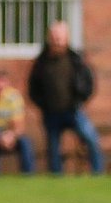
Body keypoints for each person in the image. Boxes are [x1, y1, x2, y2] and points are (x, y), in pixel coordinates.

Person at [27, 21, 103, 175]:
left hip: (73, 110)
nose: (57, 41)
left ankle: (97, 173)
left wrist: (80, 100)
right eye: (54, 37)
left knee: (91, 139)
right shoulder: (41, 62)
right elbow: (33, 87)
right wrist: (42, 105)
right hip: (51, 112)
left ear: (67, 39)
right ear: (49, 38)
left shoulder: (76, 60)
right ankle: (56, 177)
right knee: (53, 148)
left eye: (60, 37)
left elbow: (88, 83)